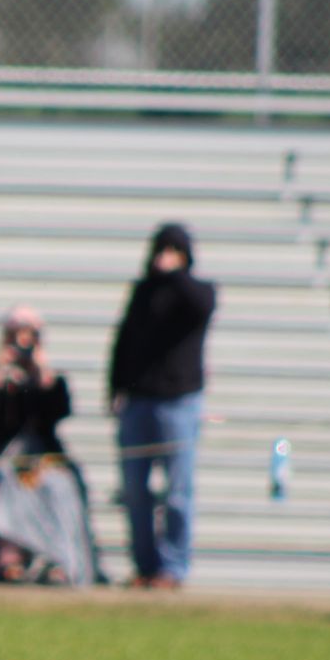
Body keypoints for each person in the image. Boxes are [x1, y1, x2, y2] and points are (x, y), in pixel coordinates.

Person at [0, 306, 98, 585]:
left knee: (60, 488)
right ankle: (8, 558)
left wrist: (43, 377)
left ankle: (59, 561)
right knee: (5, 485)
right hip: (0, 460)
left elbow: (56, 416)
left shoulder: (48, 378)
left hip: (42, 459)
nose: (23, 344)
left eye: (30, 336)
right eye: (15, 335)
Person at [108, 221, 216, 590]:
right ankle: (145, 566)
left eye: (173, 250)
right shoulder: (142, 292)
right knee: (135, 490)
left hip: (179, 402)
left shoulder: (196, 291)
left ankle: (173, 568)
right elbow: (123, 340)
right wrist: (115, 386)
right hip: (139, 402)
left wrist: (177, 276)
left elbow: (201, 308)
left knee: (177, 491)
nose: (163, 257)